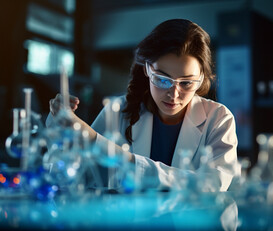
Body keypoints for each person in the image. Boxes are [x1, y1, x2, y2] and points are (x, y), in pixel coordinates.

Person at [47, 19, 238, 191]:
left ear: (201, 79)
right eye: (162, 80)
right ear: (147, 69)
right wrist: (61, 127)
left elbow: (213, 184)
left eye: (186, 83)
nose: (174, 94)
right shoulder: (118, 111)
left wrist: (128, 161)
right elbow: (73, 176)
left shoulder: (218, 119)